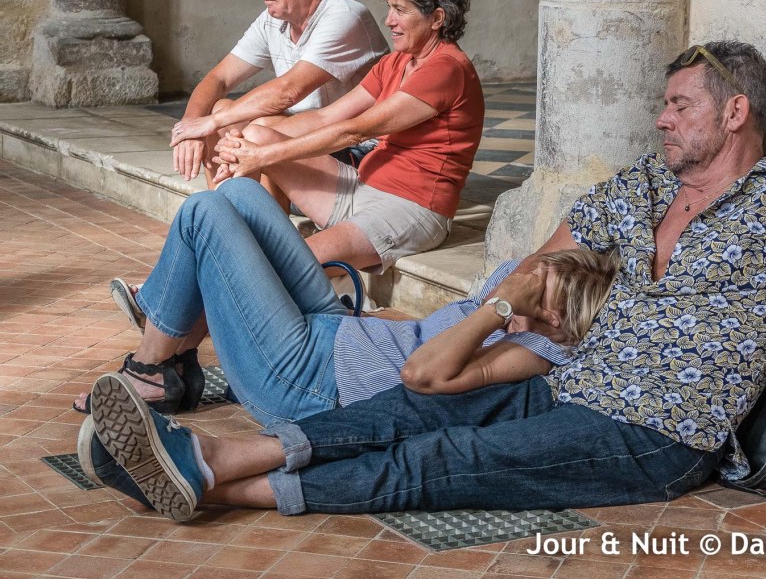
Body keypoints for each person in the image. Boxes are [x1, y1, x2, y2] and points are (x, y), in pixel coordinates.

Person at [86, 41, 766, 528]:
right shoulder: (645, 185)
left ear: (736, 112)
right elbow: (538, 266)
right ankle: (213, 458)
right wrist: (505, 309)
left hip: (656, 432)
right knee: (408, 410)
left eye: (679, 106)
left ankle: (212, 483)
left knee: (445, 463)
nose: (662, 120)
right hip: (568, 382)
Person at [75, 179, 616, 422]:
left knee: (203, 214)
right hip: (334, 327)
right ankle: (175, 357)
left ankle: (151, 370)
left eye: (536, 286)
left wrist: (499, 308)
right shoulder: (527, 307)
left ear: (555, 316)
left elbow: (423, 374)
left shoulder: (535, 352)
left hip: (304, 381)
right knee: (241, 193)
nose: (522, 279)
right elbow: (551, 249)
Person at [211, 0, 484, 273]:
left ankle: (243, 271)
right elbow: (326, 118)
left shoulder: (447, 69)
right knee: (254, 136)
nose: (389, 20)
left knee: (289, 266)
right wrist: (246, 147)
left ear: (437, 18)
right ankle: (238, 249)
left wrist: (262, 157)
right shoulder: (395, 62)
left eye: (400, 10)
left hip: (410, 208)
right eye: (389, 8)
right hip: (360, 187)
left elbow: (354, 131)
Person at [168, 0, 389, 185]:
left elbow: (289, 91)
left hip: (357, 148)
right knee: (221, 110)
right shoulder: (272, 21)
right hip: (307, 134)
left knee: (257, 131)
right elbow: (220, 79)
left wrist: (211, 122)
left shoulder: (344, 16)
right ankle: (223, 206)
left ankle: (260, 211)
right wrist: (190, 125)